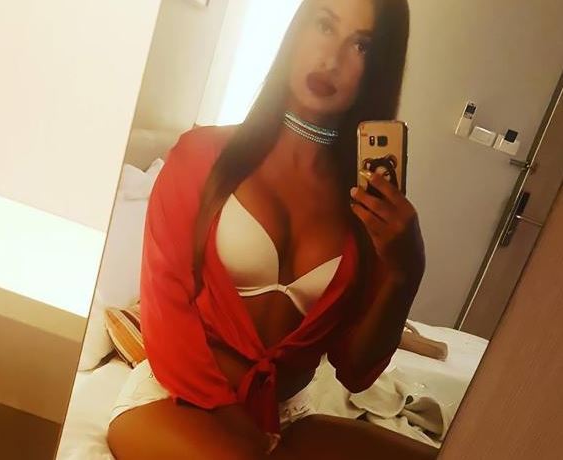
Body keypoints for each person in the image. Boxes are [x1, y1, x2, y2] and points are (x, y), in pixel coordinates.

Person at [108, 0, 435, 458]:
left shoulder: (366, 206)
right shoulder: (202, 156)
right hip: (177, 398)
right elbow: (168, 314)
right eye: (325, 26)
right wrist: (246, 437)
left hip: (284, 415)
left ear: (379, 67)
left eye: (361, 46)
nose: (331, 59)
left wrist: (405, 272)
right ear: (297, 29)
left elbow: (355, 369)